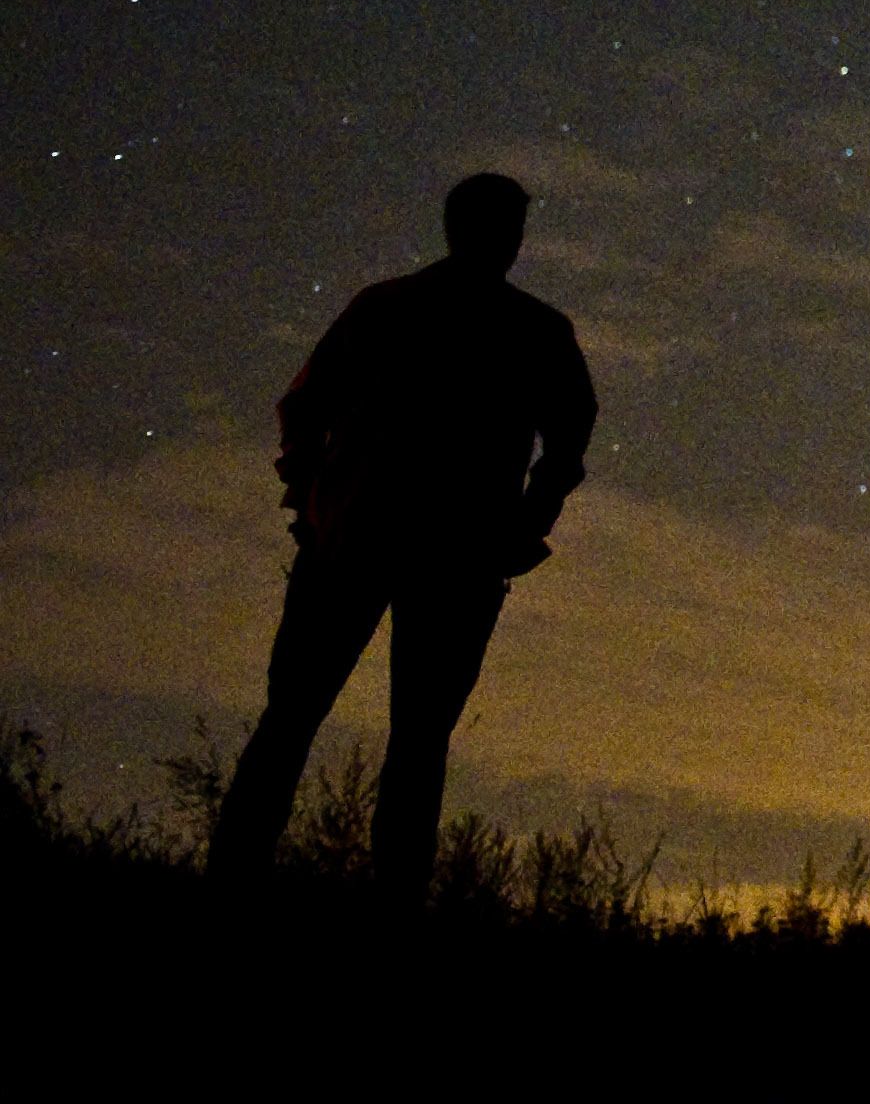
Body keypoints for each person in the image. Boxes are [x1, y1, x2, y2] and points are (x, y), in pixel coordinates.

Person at [211, 171, 597, 894]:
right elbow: (569, 442)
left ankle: (236, 881)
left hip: (369, 539)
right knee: (399, 740)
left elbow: (304, 406)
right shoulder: (528, 328)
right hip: (436, 550)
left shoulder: (390, 307)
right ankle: (381, 904)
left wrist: (310, 499)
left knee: (303, 723)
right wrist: (525, 524)